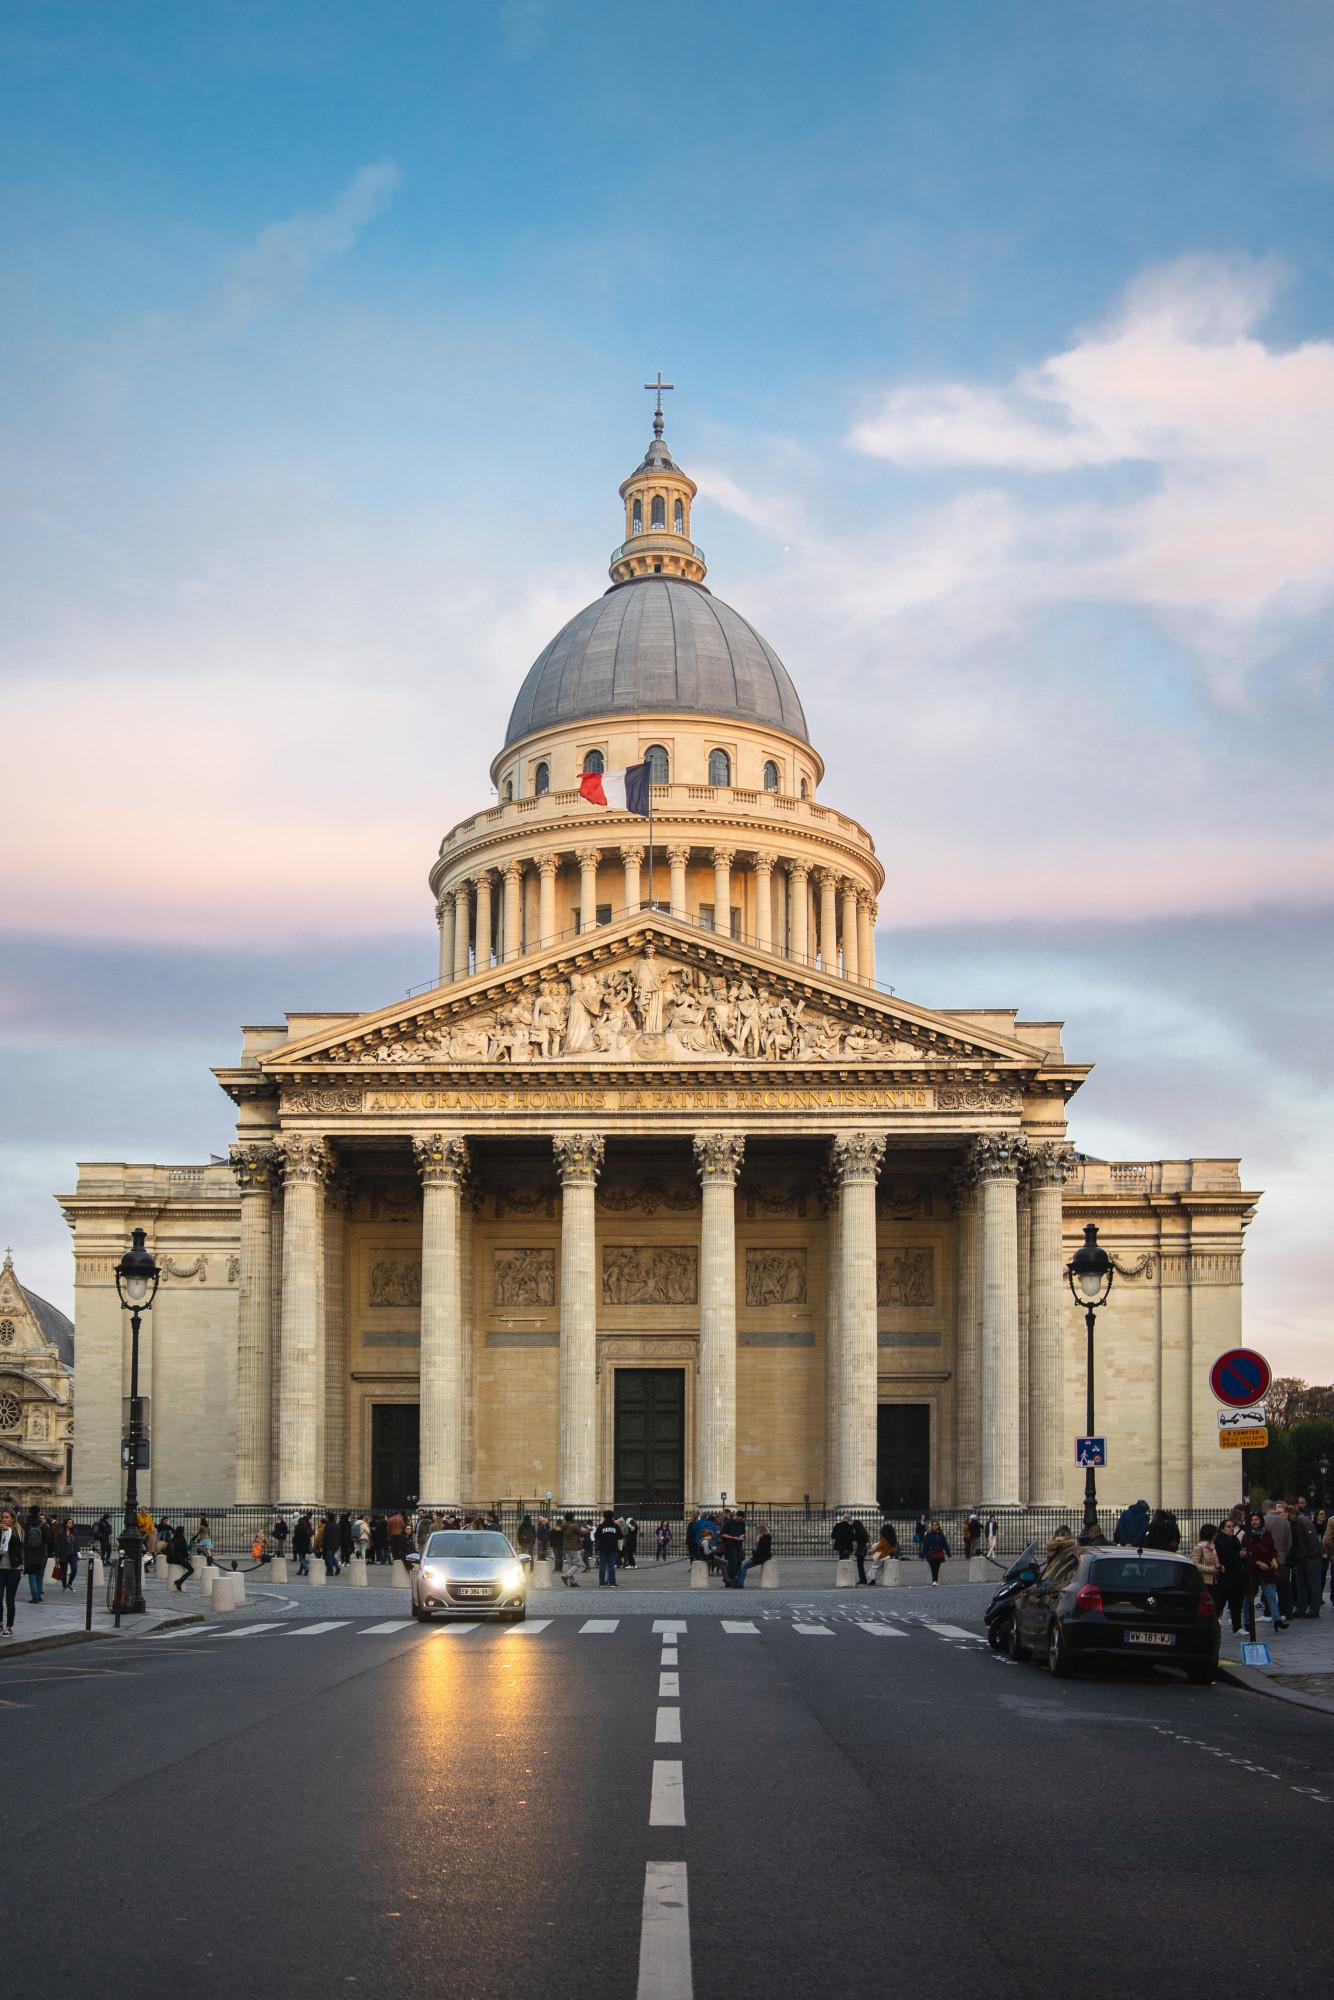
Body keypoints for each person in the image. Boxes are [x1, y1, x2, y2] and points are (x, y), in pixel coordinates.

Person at [1242, 1511, 1286, 1629]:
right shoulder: (1247, 1536)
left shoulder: (1267, 1534)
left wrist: (1274, 1558)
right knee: (1249, 1597)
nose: (1254, 1522)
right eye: (1252, 1520)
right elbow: (1245, 1554)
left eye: (1256, 1519)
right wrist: (1257, 1562)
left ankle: (1277, 1620)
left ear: (1261, 1520)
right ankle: (1247, 1622)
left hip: (1267, 1570)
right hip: (1253, 1571)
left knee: (1270, 1595)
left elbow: (1272, 1548)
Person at [1213, 1517, 1247, 1632]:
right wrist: (1238, 1554)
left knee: (1236, 1603)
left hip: (1236, 1576)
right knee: (1220, 1603)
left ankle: (1237, 1627)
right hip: (1225, 1576)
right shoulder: (1219, 1541)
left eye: (1232, 1526)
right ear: (1222, 1529)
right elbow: (1226, 1556)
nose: (1231, 1529)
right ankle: (1212, 1624)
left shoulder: (1234, 1539)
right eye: (1228, 1526)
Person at [1290, 1504, 1323, 1618]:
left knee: (1311, 1584)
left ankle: (1312, 1609)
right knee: (1304, 1584)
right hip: (1305, 1557)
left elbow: (1312, 1540)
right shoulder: (1299, 1522)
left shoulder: (1302, 1522)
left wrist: (1310, 1554)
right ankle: (1304, 1608)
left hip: (1309, 1558)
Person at [1263, 1501, 1293, 1621]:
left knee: (1269, 1586)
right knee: (1284, 1587)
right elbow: (1289, 1542)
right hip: (1283, 1557)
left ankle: (1270, 1611)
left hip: (1270, 1558)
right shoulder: (1285, 1521)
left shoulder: (1265, 1520)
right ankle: (1286, 1611)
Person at [0, 1507, 22, 1635]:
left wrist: (7, 1531)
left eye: (7, 1517)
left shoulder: (17, 1532)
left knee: (9, 1600)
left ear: (13, 1518)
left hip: (13, 1569)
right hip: (1, 1569)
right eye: (3, 1517)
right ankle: (0, 1623)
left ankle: (9, 1626)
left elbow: (16, 1544)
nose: (4, 1519)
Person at [23, 1508, 52, 1602]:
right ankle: (39, 1595)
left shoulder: (26, 1525)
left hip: (29, 1553)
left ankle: (34, 1596)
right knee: (40, 1575)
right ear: (38, 1513)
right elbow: (49, 1540)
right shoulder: (43, 1526)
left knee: (31, 1575)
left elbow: (23, 1539)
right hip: (41, 1553)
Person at [1191, 1523, 1221, 1601]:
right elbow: (1194, 1564)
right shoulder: (1199, 1547)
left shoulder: (1212, 1547)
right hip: (1204, 1581)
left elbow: (1213, 1562)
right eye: (1215, 1533)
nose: (1216, 1535)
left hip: (1214, 1581)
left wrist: (1220, 1567)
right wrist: (1211, 1569)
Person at [594, 1511, 621, 1587]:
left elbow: (596, 1536)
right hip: (613, 1548)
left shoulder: (601, 1526)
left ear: (604, 1517)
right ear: (612, 1517)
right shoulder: (616, 1526)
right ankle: (612, 1582)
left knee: (602, 1566)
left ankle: (601, 1582)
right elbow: (620, 1536)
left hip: (603, 1548)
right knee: (611, 1566)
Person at [921, 1520, 951, 1584]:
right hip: (931, 1554)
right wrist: (922, 1555)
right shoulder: (929, 1534)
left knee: (937, 1567)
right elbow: (925, 1545)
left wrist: (948, 1553)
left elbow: (945, 1544)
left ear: (938, 1526)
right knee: (933, 1567)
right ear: (931, 1526)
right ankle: (934, 1580)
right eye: (933, 1525)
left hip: (939, 1553)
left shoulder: (941, 1534)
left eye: (936, 1525)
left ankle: (935, 1580)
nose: (934, 1526)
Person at [720, 1510, 745, 1585]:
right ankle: (730, 1580)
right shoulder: (728, 1523)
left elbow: (743, 1532)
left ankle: (734, 1578)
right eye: (739, 1518)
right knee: (732, 1562)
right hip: (730, 1545)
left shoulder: (742, 1523)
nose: (740, 1520)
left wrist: (742, 1536)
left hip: (739, 1545)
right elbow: (722, 1534)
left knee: (739, 1562)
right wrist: (733, 1537)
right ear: (736, 1516)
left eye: (741, 1519)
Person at [55, 1518, 79, 1593]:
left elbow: (77, 1543)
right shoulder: (60, 1533)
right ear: (65, 1523)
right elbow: (57, 1545)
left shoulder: (74, 1532)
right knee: (63, 1572)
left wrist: (78, 1552)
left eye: (71, 1523)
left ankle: (69, 1583)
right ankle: (64, 1586)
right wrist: (57, 1556)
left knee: (74, 1569)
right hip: (63, 1554)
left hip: (73, 1554)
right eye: (69, 1522)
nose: (70, 1524)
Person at [560, 1513, 584, 1587]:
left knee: (570, 1564)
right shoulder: (573, 1526)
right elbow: (581, 1532)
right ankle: (566, 1576)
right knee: (578, 1564)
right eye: (573, 1517)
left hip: (566, 1546)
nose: (574, 1518)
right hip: (573, 1547)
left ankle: (572, 1582)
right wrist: (588, 1530)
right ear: (571, 1518)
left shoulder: (563, 1526)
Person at [168, 1522, 194, 1589]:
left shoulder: (173, 1539)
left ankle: (179, 1582)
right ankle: (179, 1581)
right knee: (191, 1570)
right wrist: (187, 1556)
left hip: (171, 1559)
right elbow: (184, 1550)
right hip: (179, 1559)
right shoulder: (182, 1539)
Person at [292, 1512, 314, 1578]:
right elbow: (311, 1533)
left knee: (301, 1558)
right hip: (306, 1543)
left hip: (299, 1544)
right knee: (303, 1557)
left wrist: (294, 1542)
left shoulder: (298, 1527)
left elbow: (296, 1536)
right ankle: (300, 1571)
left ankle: (306, 1568)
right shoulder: (308, 1526)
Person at [321, 1512, 341, 1577]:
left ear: (329, 1518)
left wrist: (322, 1545)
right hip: (335, 1544)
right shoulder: (337, 1525)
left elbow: (325, 1536)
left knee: (329, 1558)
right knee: (332, 1556)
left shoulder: (328, 1525)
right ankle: (337, 1567)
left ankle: (330, 1571)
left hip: (328, 1544)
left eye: (327, 1517)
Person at [852, 1515, 870, 1586]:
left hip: (861, 1550)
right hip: (863, 1549)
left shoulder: (858, 1532)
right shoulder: (863, 1531)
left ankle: (863, 1580)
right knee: (860, 1566)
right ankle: (863, 1579)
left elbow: (856, 1540)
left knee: (860, 1566)